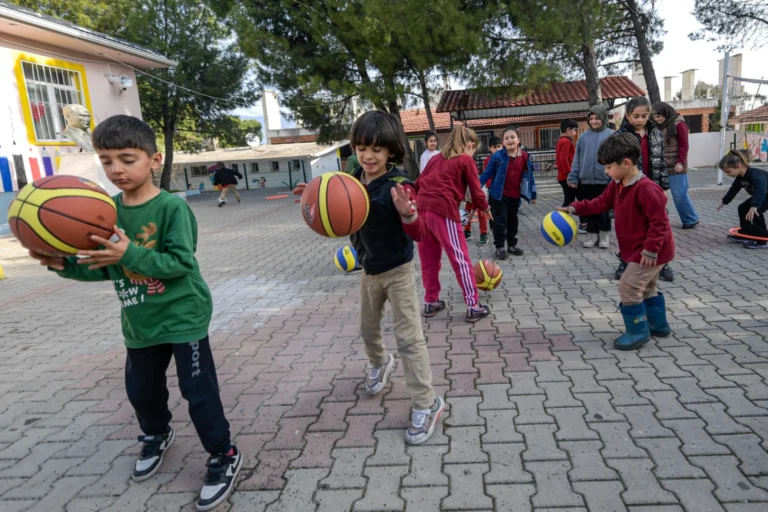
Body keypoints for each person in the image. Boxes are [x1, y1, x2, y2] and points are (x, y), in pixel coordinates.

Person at [28, 116, 241, 512]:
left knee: (198, 392)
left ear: (154, 159)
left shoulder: (171, 208)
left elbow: (179, 263)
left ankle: (223, 453)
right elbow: (107, 266)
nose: (116, 170)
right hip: (139, 319)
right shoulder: (101, 211)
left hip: (183, 316)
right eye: (106, 161)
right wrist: (61, 265)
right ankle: (156, 435)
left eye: (127, 158)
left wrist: (129, 252)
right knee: (141, 391)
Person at [293, 111, 444, 444]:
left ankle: (426, 403)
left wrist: (408, 212)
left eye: (376, 148)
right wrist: (316, 195)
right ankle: (381, 362)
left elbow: (419, 233)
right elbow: (333, 200)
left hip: (399, 271)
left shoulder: (399, 185)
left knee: (409, 339)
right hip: (369, 270)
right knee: (367, 329)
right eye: (361, 147)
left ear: (391, 150)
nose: (368, 155)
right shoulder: (351, 177)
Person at [559, 132, 674, 351]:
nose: (606, 171)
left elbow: (660, 224)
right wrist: (575, 208)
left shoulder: (647, 189)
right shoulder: (618, 183)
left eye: (609, 167)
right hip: (642, 250)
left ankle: (638, 332)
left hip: (651, 251)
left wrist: (650, 251)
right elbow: (600, 203)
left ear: (627, 163)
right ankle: (658, 325)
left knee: (629, 286)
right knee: (647, 287)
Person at [415, 126, 492, 323]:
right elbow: (476, 191)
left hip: (422, 209)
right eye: (474, 148)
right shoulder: (466, 159)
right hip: (443, 210)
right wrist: (485, 207)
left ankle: (431, 302)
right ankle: (473, 306)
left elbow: (419, 182)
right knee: (460, 258)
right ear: (470, 144)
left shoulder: (435, 158)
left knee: (429, 260)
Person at [618, 96, 673, 282]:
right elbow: (617, 165)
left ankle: (663, 262)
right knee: (631, 226)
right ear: (628, 116)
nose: (640, 119)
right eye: (636, 116)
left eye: (644, 115)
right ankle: (626, 260)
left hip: (653, 187)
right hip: (632, 188)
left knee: (658, 223)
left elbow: (661, 162)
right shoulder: (621, 136)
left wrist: (663, 186)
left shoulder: (655, 133)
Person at [480, 126, 537, 260]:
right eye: (506, 138)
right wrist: (476, 188)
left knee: (513, 221)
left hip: (515, 196)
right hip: (498, 195)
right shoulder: (497, 156)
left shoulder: (524, 156)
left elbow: (530, 176)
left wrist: (533, 195)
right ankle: (500, 247)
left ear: (518, 140)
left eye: (512, 137)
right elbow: (486, 174)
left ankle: (511, 245)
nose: (510, 140)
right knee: (500, 222)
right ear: (503, 142)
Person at [567, 105, 614, 249]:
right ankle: (592, 237)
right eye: (591, 119)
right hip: (586, 182)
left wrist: (614, 178)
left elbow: (616, 157)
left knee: (603, 211)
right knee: (590, 211)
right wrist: (574, 177)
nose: (593, 121)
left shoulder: (612, 135)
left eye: (597, 118)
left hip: (605, 181)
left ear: (603, 119)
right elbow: (577, 159)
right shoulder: (583, 137)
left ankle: (604, 236)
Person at [652, 101, 699, 229]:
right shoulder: (655, 127)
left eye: (660, 116)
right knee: (656, 195)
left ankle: (690, 219)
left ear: (666, 113)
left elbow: (684, 145)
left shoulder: (679, 124)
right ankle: (659, 220)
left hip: (676, 165)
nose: (658, 119)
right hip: (660, 164)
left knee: (679, 194)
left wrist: (680, 162)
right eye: (655, 117)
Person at [718, 150, 768, 249]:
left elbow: (761, 189)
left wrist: (754, 206)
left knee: (755, 212)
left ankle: (762, 240)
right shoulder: (740, 177)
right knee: (742, 208)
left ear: (738, 166)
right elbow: (734, 189)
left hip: (765, 193)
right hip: (762, 195)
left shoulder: (754, 174)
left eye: (728, 171)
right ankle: (746, 233)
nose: (728, 174)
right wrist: (725, 201)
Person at [464, 136, 500, 246]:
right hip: (468, 191)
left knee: (481, 212)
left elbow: (483, 177)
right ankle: (467, 231)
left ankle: (483, 234)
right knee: (468, 211)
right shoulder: (459, 159)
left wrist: (486, 187)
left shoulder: (470, 161)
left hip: (478, 190)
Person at [556, 119, 578, 207]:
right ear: (568, 130)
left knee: (570, 200)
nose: (575, 133)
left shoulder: (561, 141)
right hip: (566, 176)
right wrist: (569, 174)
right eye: (575, 130)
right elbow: (563, 159)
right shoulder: (566, 142)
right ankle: (559, 219)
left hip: (563, 175)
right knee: (569, 201)